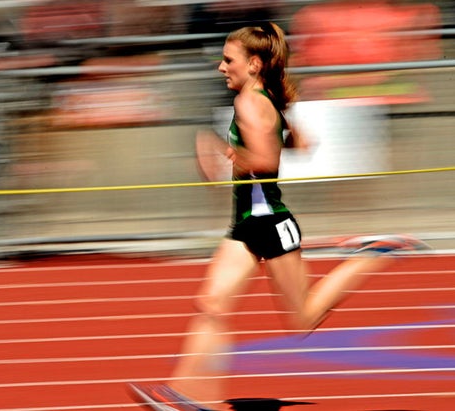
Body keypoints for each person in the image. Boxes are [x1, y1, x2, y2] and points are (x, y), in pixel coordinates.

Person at [127, 22, 428, 411]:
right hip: (246, 225)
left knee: (303, 319)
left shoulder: (250, 103)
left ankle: (373, 253)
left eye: (227, 60)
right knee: (211, 304)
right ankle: (186, 394)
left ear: (253, 64)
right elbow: (302, 143)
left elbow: (267, 160)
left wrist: (224, 152)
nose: (221, 67)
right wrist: (272, 133)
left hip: (269, 223)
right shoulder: (264, 98)